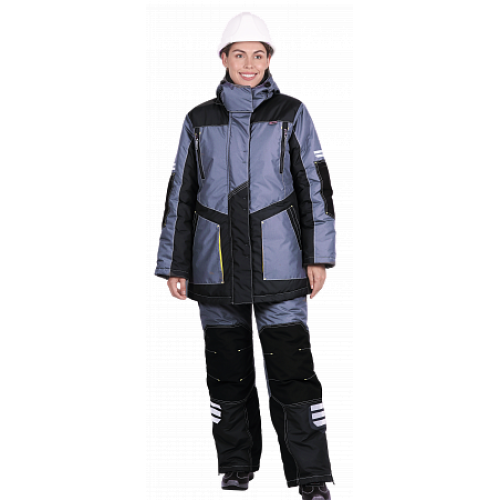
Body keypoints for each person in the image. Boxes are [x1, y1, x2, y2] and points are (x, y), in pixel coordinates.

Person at [153, 11, 336, 499]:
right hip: (214, 269)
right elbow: (180, 195)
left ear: (270, 59)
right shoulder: (198, 120)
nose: (249, 64)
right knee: (227, 378)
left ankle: (312, 477)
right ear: (223, 58)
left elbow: (315, 188)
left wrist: (319, 256)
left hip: (282, 267)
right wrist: (174, 264)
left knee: (293, 375)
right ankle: (235, 468)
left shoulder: (293, 112)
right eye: (240, 54)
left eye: (258, 55)